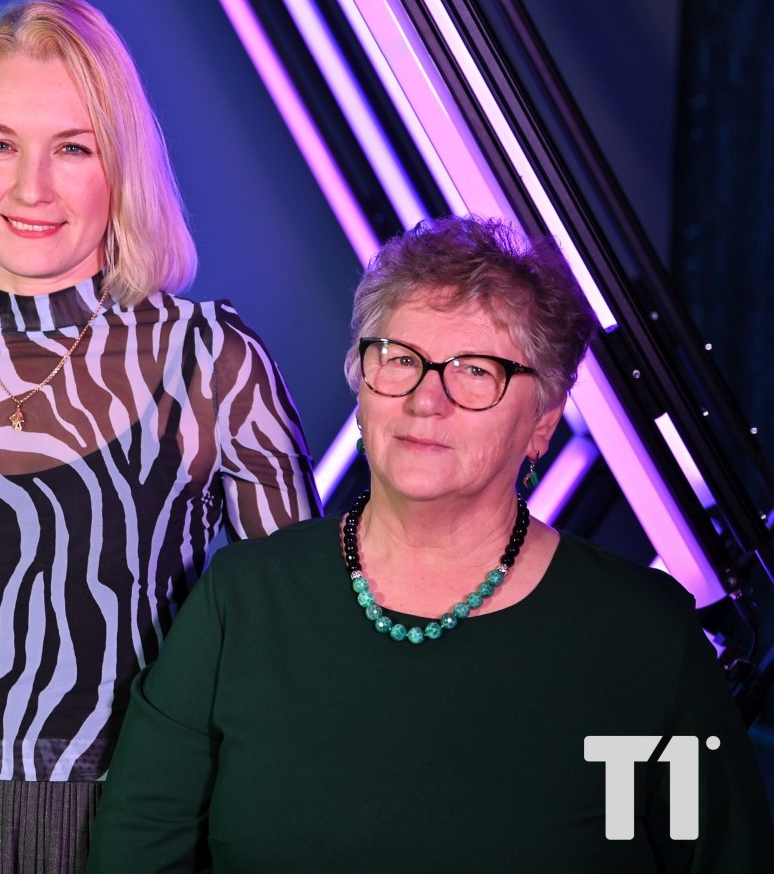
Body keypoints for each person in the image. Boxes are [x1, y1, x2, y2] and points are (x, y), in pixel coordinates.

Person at [87, 216, 774, 872]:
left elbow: (703, 856)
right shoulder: (242, 602)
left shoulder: (639, 639)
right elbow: (138, 852)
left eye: (475, 371)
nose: (425, 399)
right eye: (399, 358)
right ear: (361, 382)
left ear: (544, 418)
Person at [0, 0, 321, 874]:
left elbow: (298, 637)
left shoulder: (209, 361)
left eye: (72, 147)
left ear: (122, 165)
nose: (31, 188)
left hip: (129, 821)